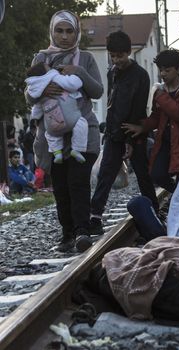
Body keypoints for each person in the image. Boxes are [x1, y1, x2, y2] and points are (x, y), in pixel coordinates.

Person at [24, 10, 103, 252]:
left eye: (70, 31)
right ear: (52, 32)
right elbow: (28, 94)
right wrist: (42, 92)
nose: (65, 36)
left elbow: (97, 90)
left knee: (77, 183)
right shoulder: (41, 57)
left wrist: (78, 72)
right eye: (60, 31)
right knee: (60, 187)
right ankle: (67, 233)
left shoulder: (85, 58)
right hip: (53, 137)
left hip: (82, 134)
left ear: (77, 33)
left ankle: (82, 231)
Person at [89, 31, 158, 240]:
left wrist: (132, 140)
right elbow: (111, 104)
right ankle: (95, 217)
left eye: (120, 55)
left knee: (142, 173)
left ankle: (153, 211)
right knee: (106, 174)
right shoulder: (112, 73)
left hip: (133, 132)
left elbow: (138, 110)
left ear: (129, 53)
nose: (116, 60)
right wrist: (109, 132)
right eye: (113, 56)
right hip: (113, 132)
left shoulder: (140, 75)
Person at [122, 49, 179, 193]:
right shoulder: (161, 91)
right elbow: (157, 116)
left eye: (167, 70)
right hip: (165, 142)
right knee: (157, 174)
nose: (162, 74)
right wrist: (142, 127)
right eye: (161, 70)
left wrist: (161, 96)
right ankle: (178, 194)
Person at [25, 61, 88, 164]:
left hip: (52, 123)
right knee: (81, 124)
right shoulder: (55, 78)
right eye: (47, 67)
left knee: (50, 134)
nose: (50, 68)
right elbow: (73, 84)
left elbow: (36, 108)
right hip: (70, 118)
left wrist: (35, 118)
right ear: (46, 72)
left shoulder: (38, 90)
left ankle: (57, 152)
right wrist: (76, 76)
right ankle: (77, 149)